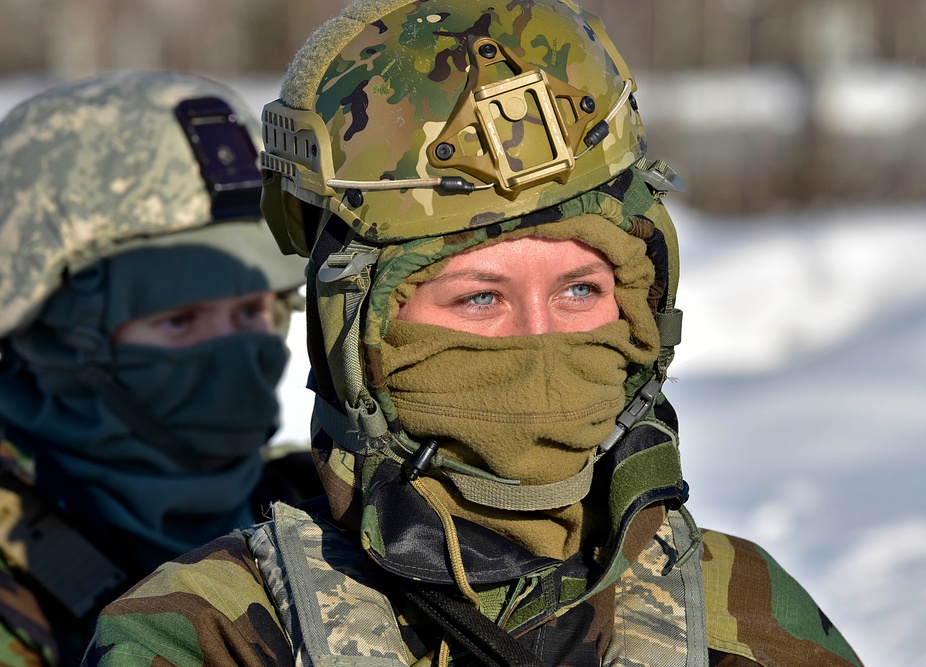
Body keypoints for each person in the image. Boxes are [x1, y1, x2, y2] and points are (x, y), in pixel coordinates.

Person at [84, 3, 864, 666]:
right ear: (362, 341)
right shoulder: (207, 631)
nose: (539, 342)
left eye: (580, 289)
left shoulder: (746, 608)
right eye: (479, 298)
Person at [0, 71, 322, 665]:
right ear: (58, 336)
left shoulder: (329, 517)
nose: (234, 351)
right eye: (181, 320)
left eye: (253, 309)